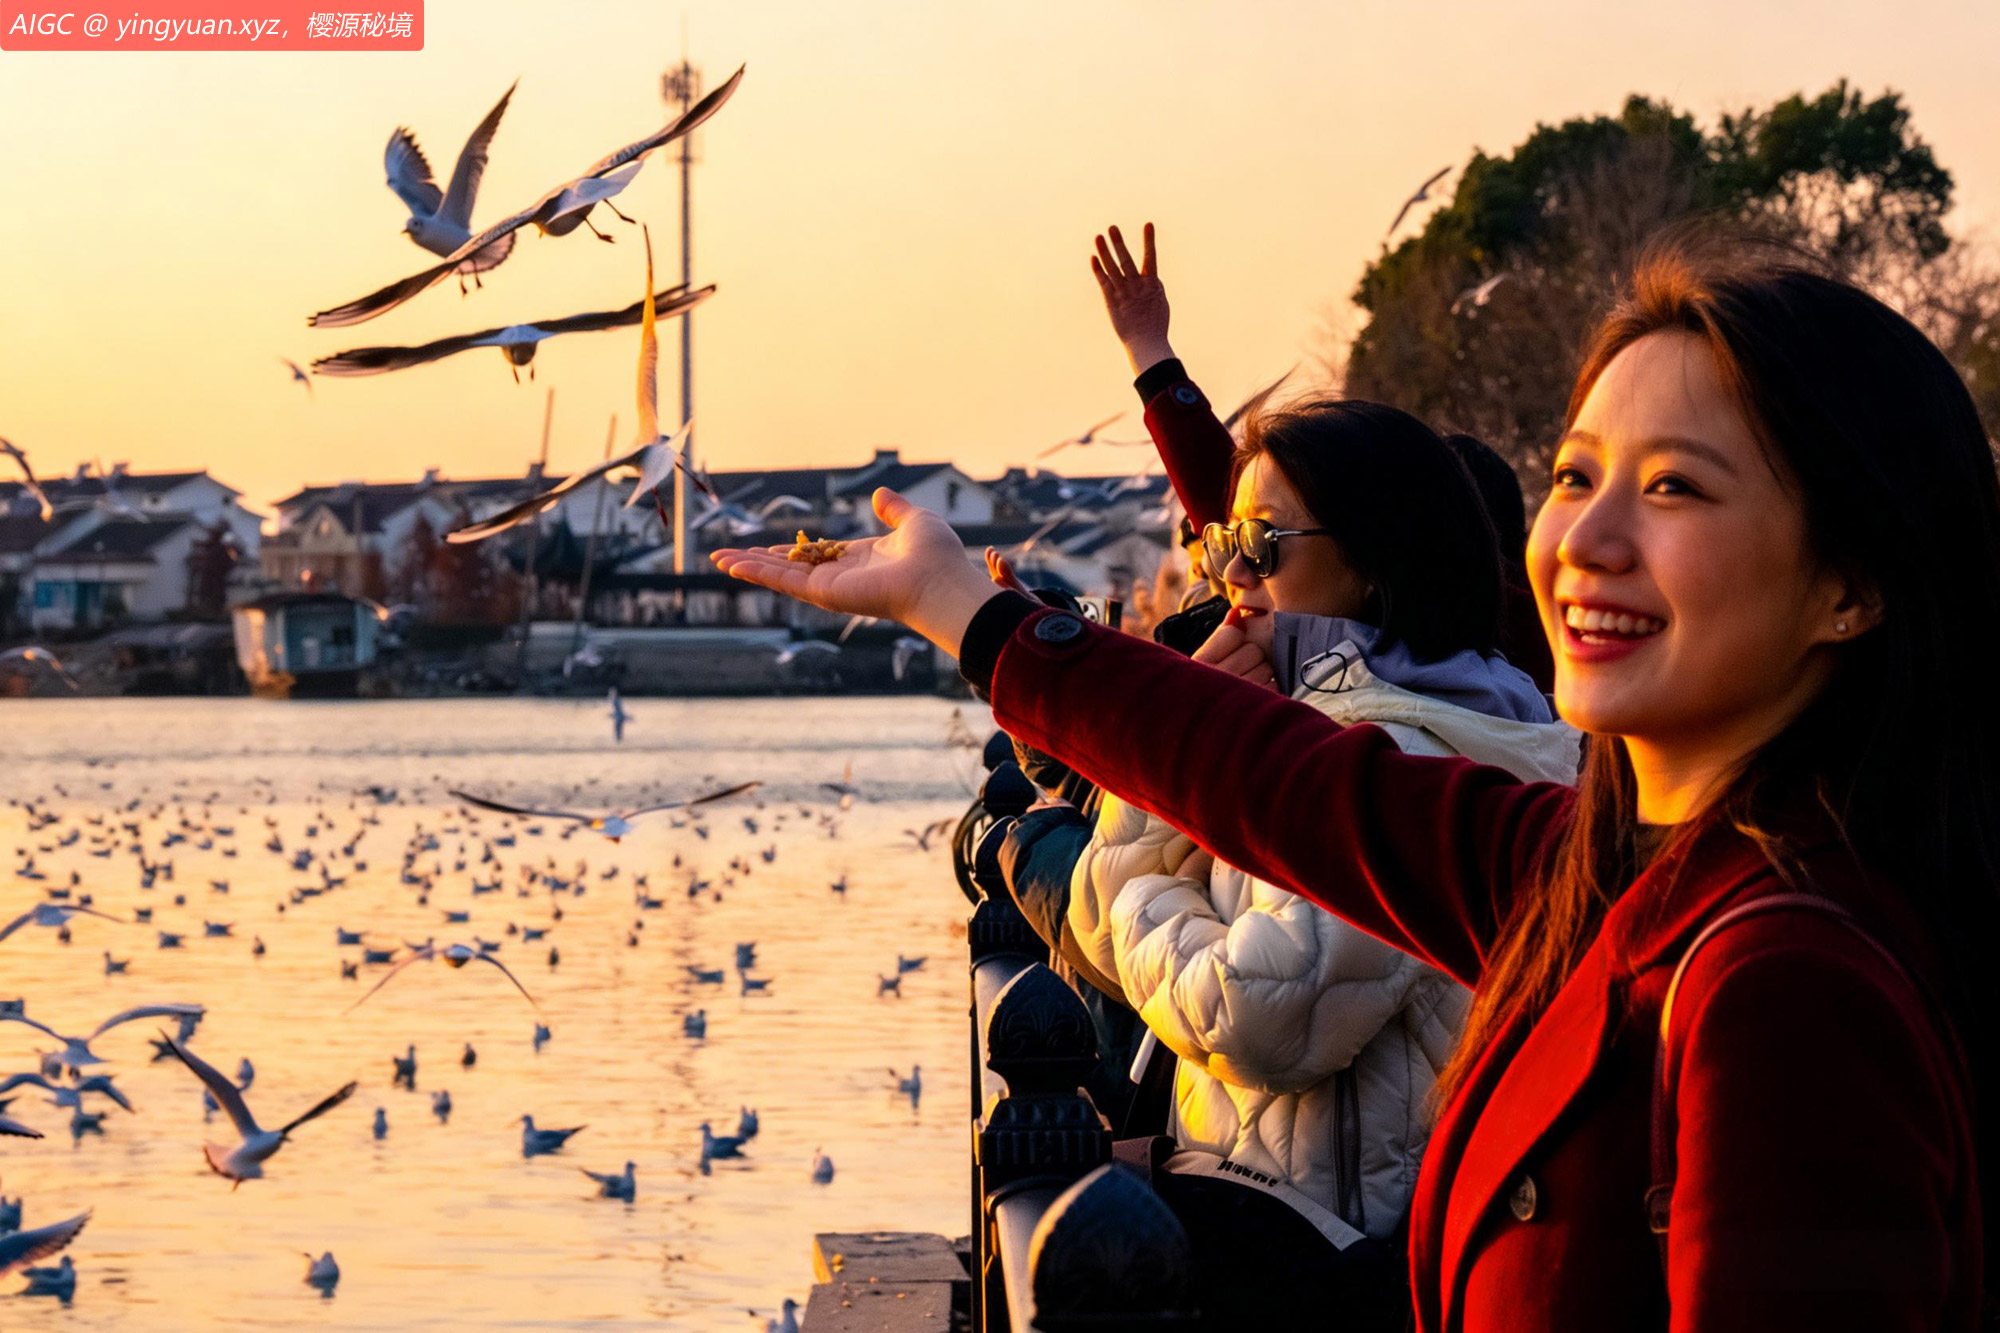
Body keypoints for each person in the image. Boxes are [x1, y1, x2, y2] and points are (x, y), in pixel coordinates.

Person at [715, 229, 1994, 1329]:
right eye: (1574, 476)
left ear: (1849, 587)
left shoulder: (1783, 986)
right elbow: (1284, 784)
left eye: (1672, 488)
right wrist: (963, 611)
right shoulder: (1611, 869)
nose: (1586, 540)